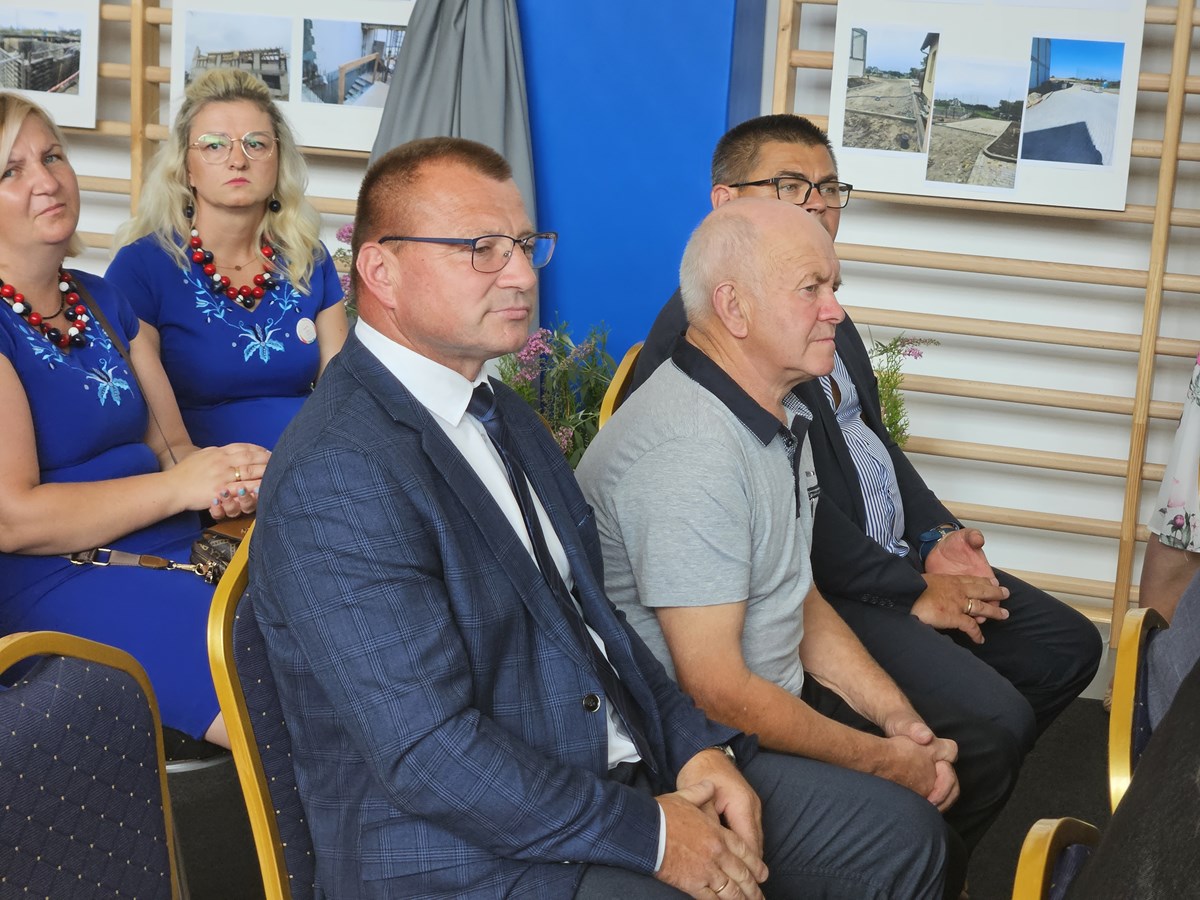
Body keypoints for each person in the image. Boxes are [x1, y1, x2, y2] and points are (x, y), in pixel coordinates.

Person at [249, 135, 949, 899]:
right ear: (380, 270)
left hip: (607, 767)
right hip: (461, 856)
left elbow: (600, 623)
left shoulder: (502, 413)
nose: (521, 274)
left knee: (902, 838)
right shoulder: (338, 470)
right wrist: (653, 835)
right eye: (481, 249)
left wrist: (695, 749)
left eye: (523, 245)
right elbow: (430, 755)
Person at [628, 114, 1102, 847]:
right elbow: (791, 531)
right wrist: (912, 592)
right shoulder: (705, 351)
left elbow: (874, 446)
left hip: (878, 565)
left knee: (1066, 648)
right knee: (990, 725)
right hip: (836, 585)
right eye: (791, 186)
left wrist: (938, 536)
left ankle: (934, 815)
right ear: (725, 205)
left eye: (828, 187)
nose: (816, 204)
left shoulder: (822, 315)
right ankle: (921, 836)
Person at [577, 199, 971, 895]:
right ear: (734, 308)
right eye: (810, 289)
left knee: (947, 755)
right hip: (693, 746)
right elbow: (716, 690)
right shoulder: (691, 451)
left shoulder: (772, 407)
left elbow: (798, 595)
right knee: (915, 837)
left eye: (834, 288)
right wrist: (888, 763)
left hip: (757, 705)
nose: (836, 311)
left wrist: (898, 721)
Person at [0, 93, 268, 747]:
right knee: (275, 684)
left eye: (52, 156)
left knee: (335, 626)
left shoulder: (102, 299)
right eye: (11, 170)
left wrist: (231, 478)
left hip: (177, 551)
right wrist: (179, 487)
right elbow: (14, 520)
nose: (46, 181)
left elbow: (174, 449)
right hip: (60, 577)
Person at [107, 68, 347, 449]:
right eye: (214, 145)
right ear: (187, 167)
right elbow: (142, 422)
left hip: (309, 467)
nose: (238, 160)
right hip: (199, 473)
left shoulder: (309, 258)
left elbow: (340, 399)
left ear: (278, 160)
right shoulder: (140, 268)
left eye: (256, 144)